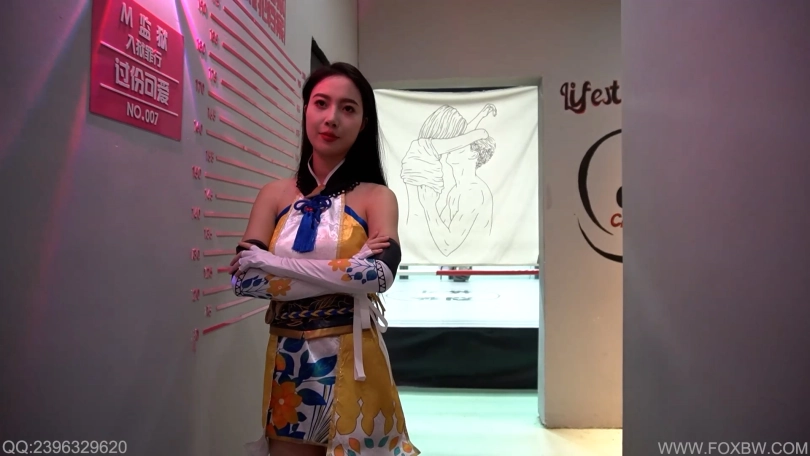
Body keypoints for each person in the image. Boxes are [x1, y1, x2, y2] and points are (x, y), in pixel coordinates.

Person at [228, 62, 419, 456]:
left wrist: (273, 264)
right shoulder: (273, 195)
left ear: (363, 123)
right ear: (305, 110)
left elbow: (380, 275)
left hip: (356, 359)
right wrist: (350, 270)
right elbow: (244, 279)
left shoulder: (376, 197)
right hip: (288, 362)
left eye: (348, 108)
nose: (332, 118)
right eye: (321, 103)